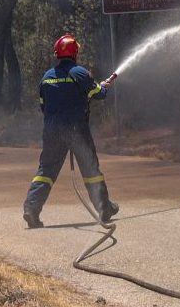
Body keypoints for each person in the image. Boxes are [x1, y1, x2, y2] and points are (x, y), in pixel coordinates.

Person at [23, 35, 119, 228]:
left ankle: (31, 209)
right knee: (91, 170)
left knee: (46, 171)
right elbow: (98, 94)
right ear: (74, 53)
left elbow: (44, 106)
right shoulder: (79, 73)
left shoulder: (47, 76)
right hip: (77, 130)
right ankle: (104, 208)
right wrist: (105, 86)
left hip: (52, 131)